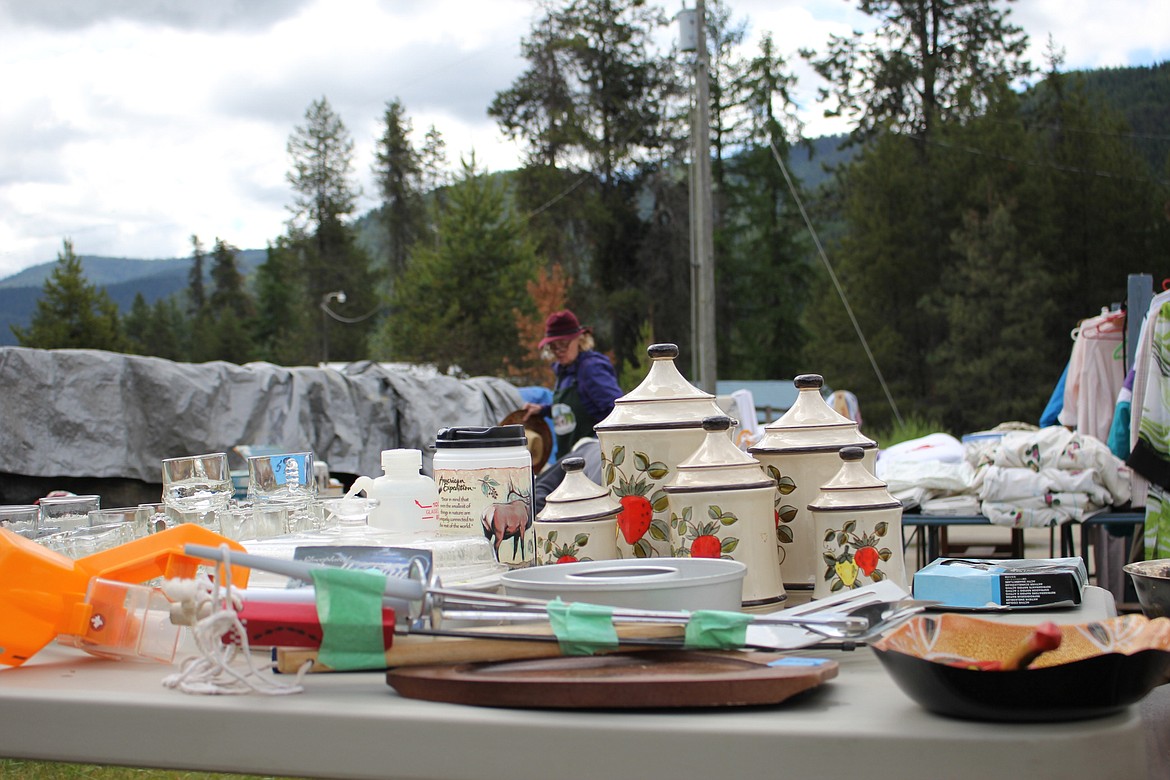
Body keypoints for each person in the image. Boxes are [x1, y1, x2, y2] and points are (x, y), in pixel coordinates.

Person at [523, 309, 623, 458]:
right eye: (553, 346)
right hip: (568, 458)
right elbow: (574, 410)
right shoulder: (564, 372)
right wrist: (544, 410)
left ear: (580, 339)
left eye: (563, 344)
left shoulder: (591, 368)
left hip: (591, 459)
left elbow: (618, 411)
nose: (558, 351)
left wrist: (600, 449)